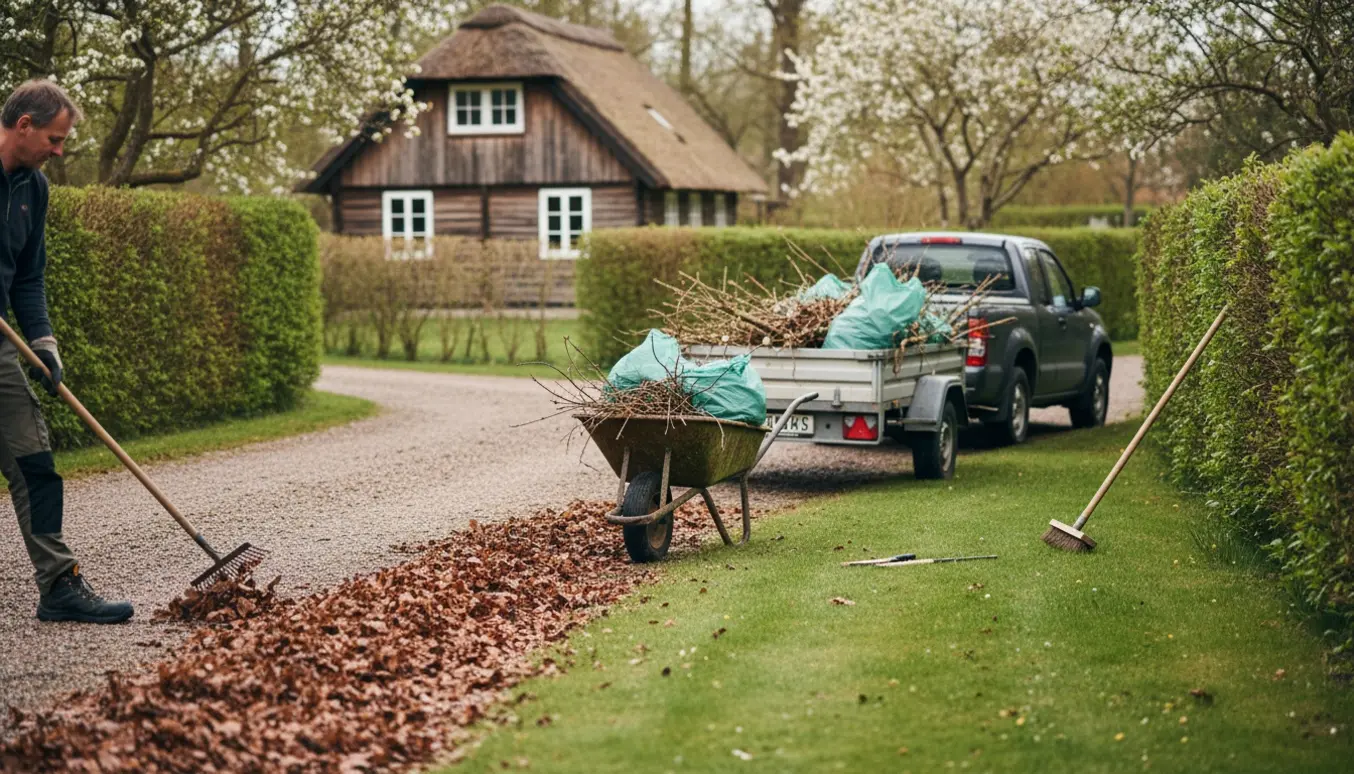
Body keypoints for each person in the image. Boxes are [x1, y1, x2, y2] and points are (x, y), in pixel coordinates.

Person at [1, 79, 132, 623]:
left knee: (35, 460)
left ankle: (58, 585)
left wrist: (44, 343)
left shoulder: (33, 190)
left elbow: (29, 278)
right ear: (24, 125)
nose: (59, 151)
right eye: (54, 139)